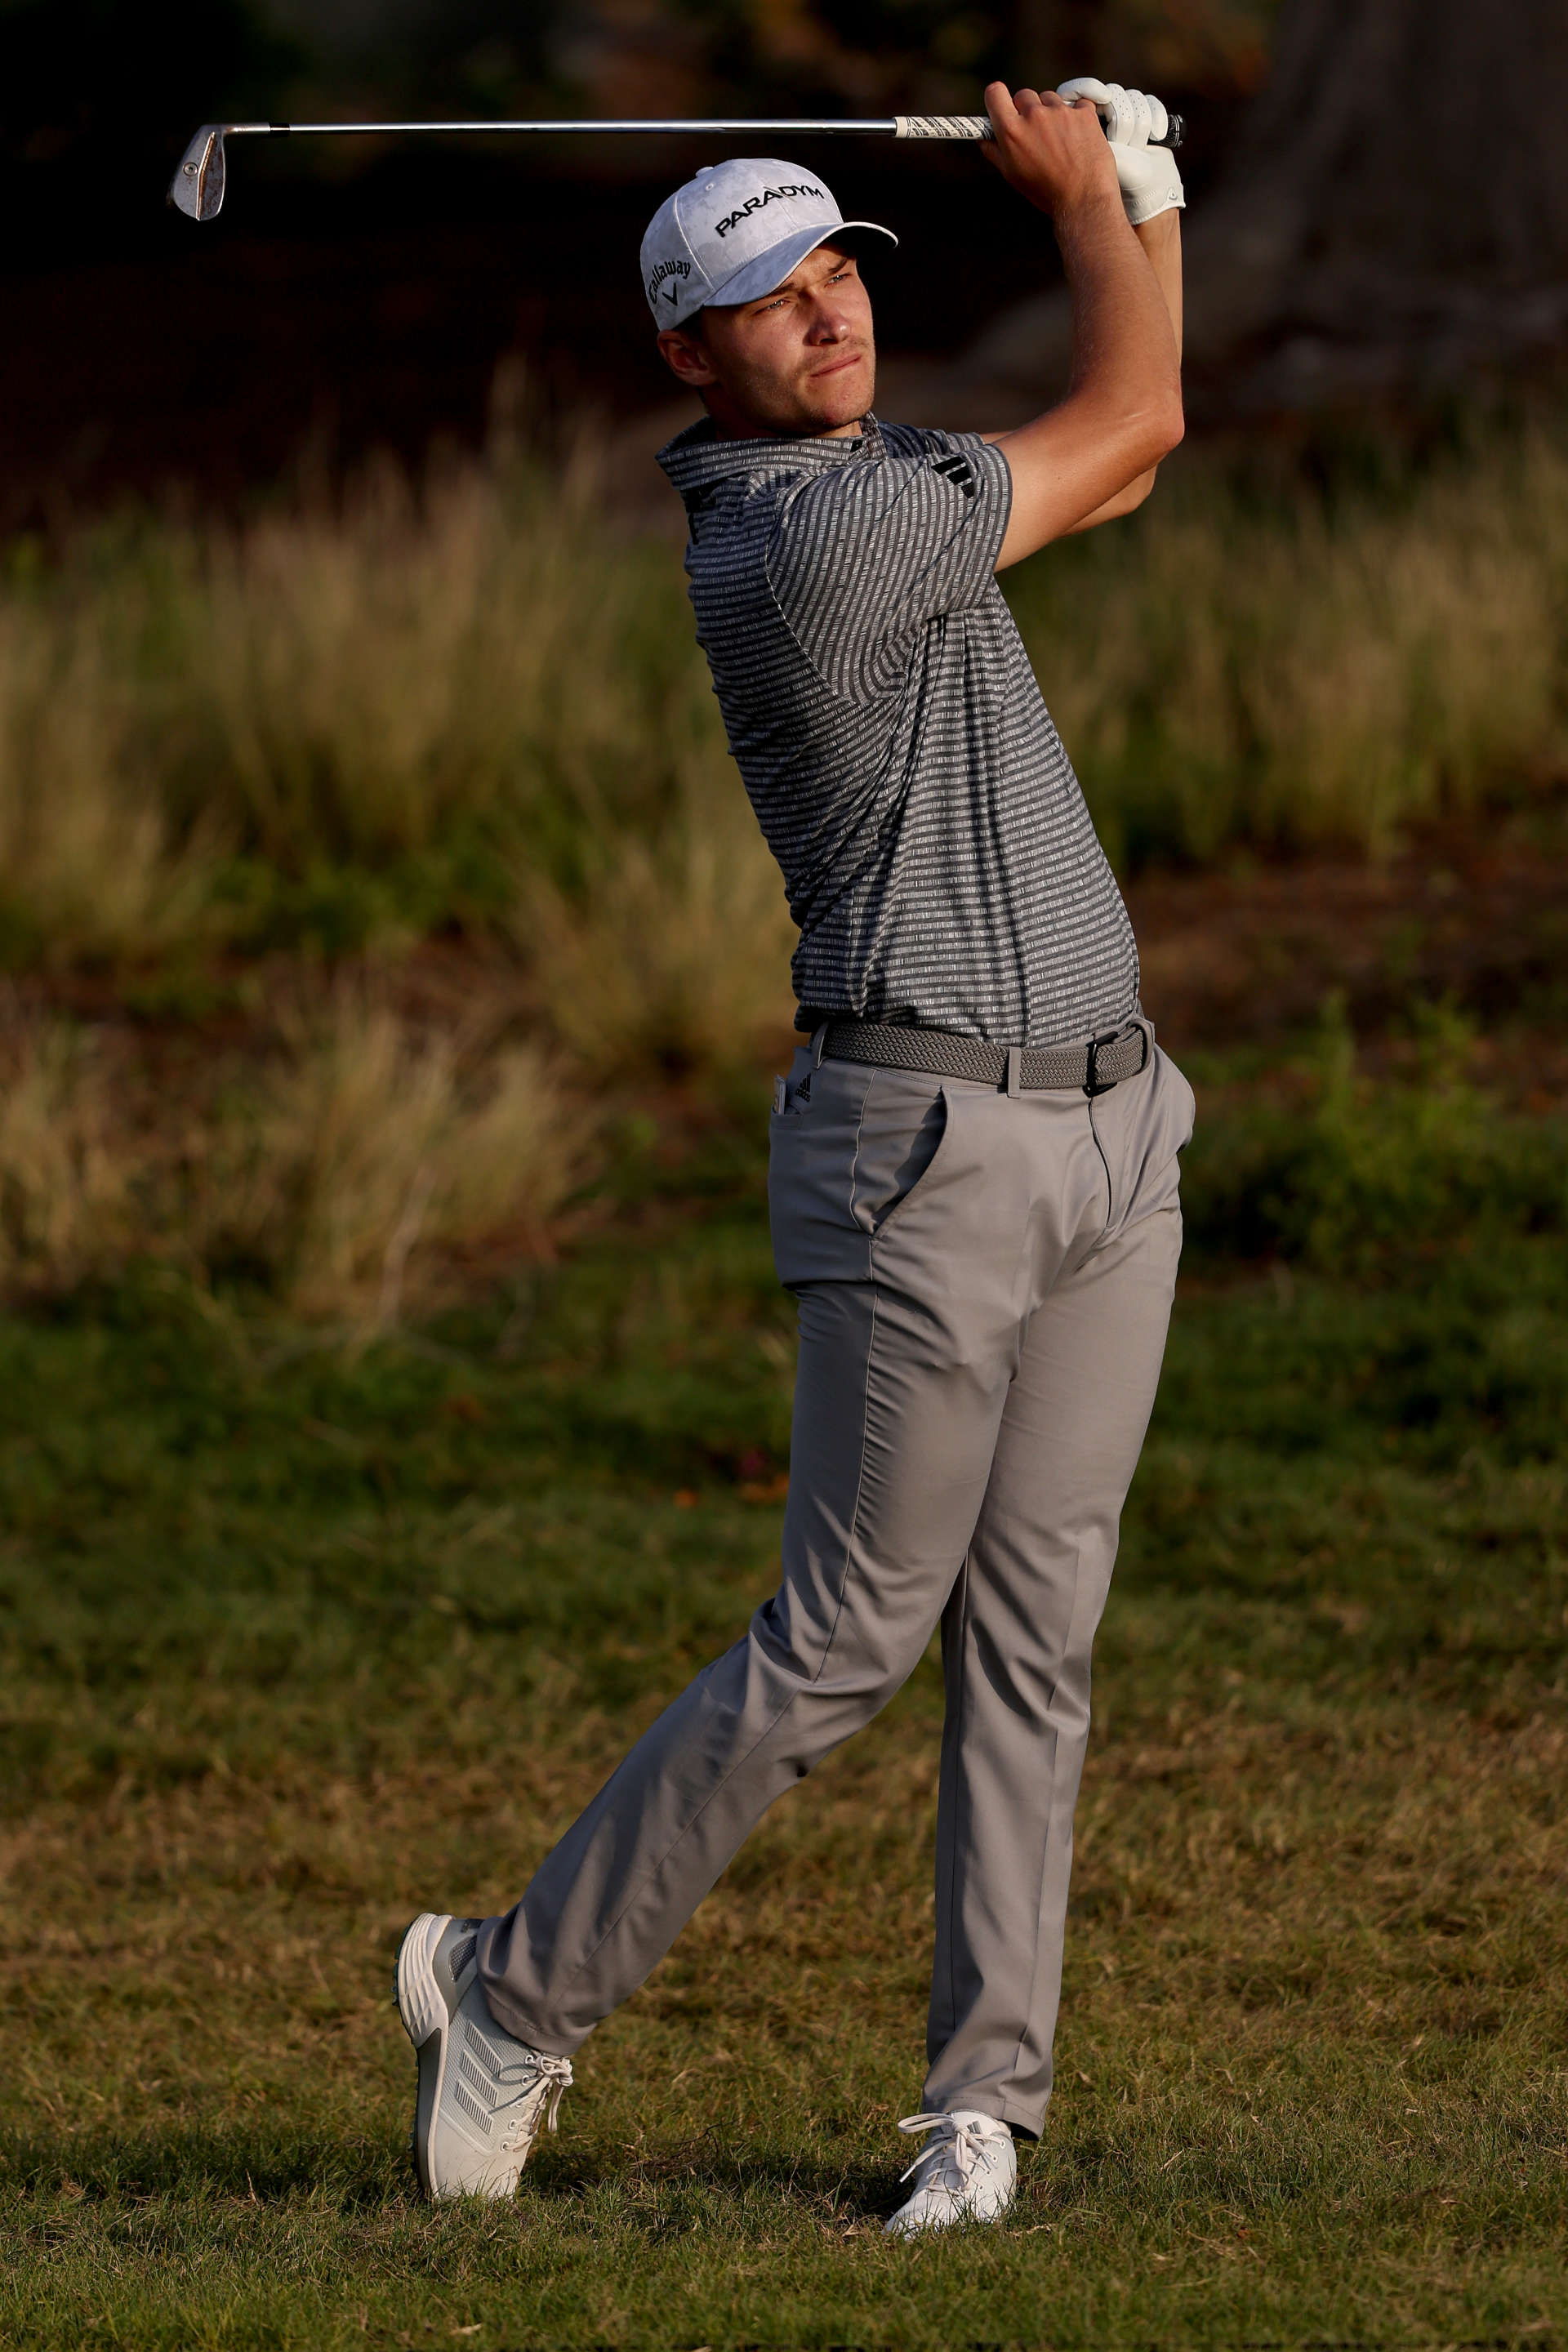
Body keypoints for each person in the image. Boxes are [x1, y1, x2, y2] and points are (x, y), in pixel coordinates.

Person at [395, 78, 1193, 2238]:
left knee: (1039, 1632)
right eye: (767, 295)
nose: (824, 310)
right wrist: (1087, 206)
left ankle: (981, 2105)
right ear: (692, 353)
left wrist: (1151, 196)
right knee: (852, 1628)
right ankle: (508, 1991)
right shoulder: (805, 540)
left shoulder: (897, 472)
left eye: (837, 266)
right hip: (925, 1144)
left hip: (1117, 1126)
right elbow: (1121, 418)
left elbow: (1133, 457)